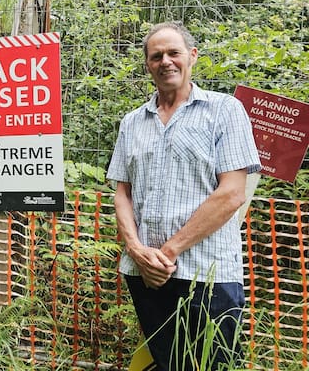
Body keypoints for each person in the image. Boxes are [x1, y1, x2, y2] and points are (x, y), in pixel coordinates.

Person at [106, 21, 261, 371]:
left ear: (191, 56)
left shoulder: (224, 111)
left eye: (174, 53)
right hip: (145, 273)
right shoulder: (133, 122)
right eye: (156, 55)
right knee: (167, 363)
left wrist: (167, 252)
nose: (166, 61)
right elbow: (122, 192)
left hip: (207, 274)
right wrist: (135, 249)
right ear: (147, 64)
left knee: (212, 365)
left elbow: (232, 193)